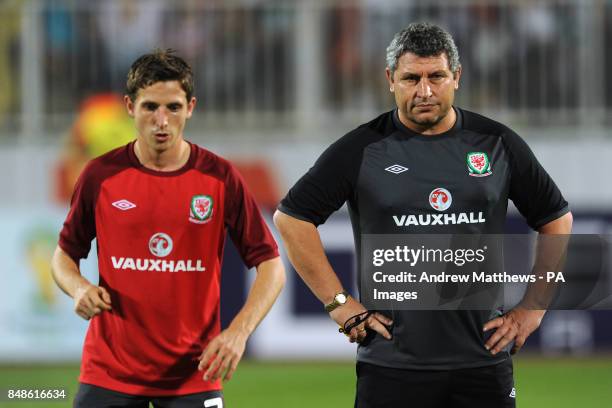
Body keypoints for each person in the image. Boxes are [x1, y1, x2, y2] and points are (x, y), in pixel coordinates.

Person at [274, 22, 572, 408]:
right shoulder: (362, 148)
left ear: (457, 76)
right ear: (390, 80)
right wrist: (340, 305)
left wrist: (532, 309)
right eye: (411, 78)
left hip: (482, 363)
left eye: (437, 76)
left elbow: (556, 219)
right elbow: (292, 219)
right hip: (391, 366)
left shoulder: (497, 143)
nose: (425, 91)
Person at [51, 49, 285, 407]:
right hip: (109, 373)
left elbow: (271, 265)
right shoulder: (100, 175)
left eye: (173, 107)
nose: (161, 121)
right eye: (150, 107)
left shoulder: (220, 178)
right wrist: (78, 287)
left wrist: (239, 333)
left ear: (190, 107)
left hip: (193, 375)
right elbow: (64, 256)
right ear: (130, 107)